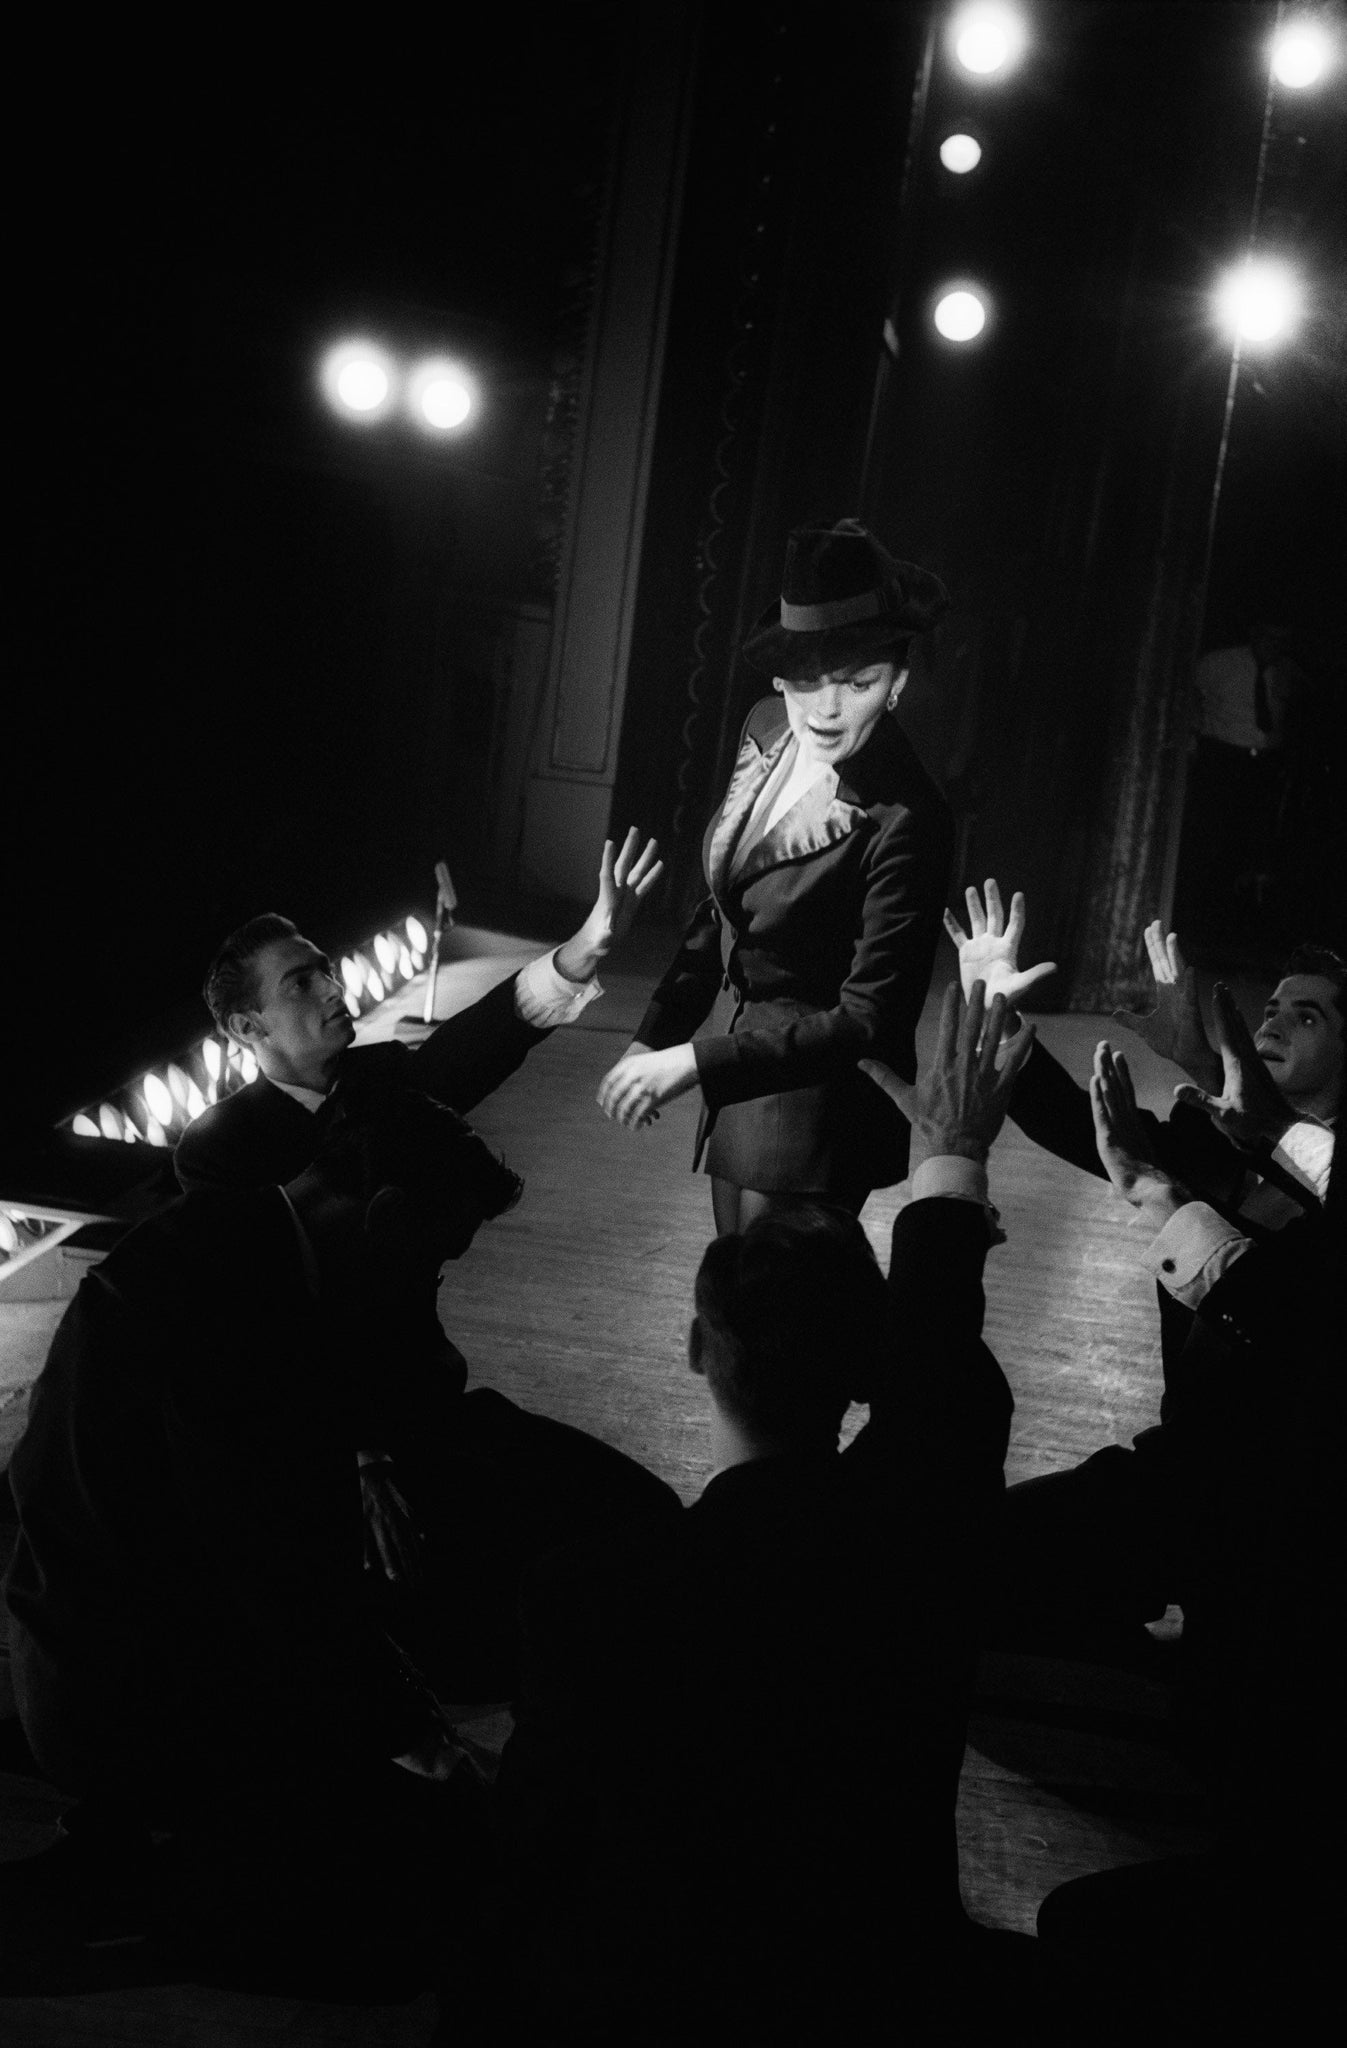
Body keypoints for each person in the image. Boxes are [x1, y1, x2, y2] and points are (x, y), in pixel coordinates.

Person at [3, 1081, 678, 1986]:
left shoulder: (249, 1248)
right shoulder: (214, 1301)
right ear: (387, 1212)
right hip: (119, 1684)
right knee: (438, 1872)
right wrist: (410, 1732)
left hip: (157, 1625)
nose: (431, 1283)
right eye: (435, 1258)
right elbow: (265, 1567)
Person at [493, 984, 1036, 2036]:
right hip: (878, 1991)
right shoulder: (914, 1543)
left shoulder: (590, 1599)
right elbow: (944, 1389)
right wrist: (950, 1160)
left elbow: (525, 1882)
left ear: (699, 1348)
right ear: (865, 1365)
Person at [1031, 1028, 1343, 2031]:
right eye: (1277, 1001)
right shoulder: (1266, 1151)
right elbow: (1106, 1140)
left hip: (1252, 1516)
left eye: (1312, 1010)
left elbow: (1296, 1317)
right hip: (1198, 1494)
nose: (1278, 1020)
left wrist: (1161, 1198)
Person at [597, 519, 954, 1233]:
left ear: (897, 684)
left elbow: (866, 1020)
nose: (825, 708)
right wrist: (655, 1033)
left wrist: (695, 1062)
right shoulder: (764, 725)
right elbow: (723, 908)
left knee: (773, 1327)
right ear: (777, 672)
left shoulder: (906, 817)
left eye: (858, 682)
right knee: (734, 1313)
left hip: (819, 1113)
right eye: (807, 680)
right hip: (740, 1087)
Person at [175, 826, 662, 1195]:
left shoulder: (387, 1079)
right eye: (300, 984)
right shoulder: (217, 1147)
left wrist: (585, 948)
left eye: (325, 970)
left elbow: (491, 1033)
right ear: (246, 1026)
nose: (332, 988)